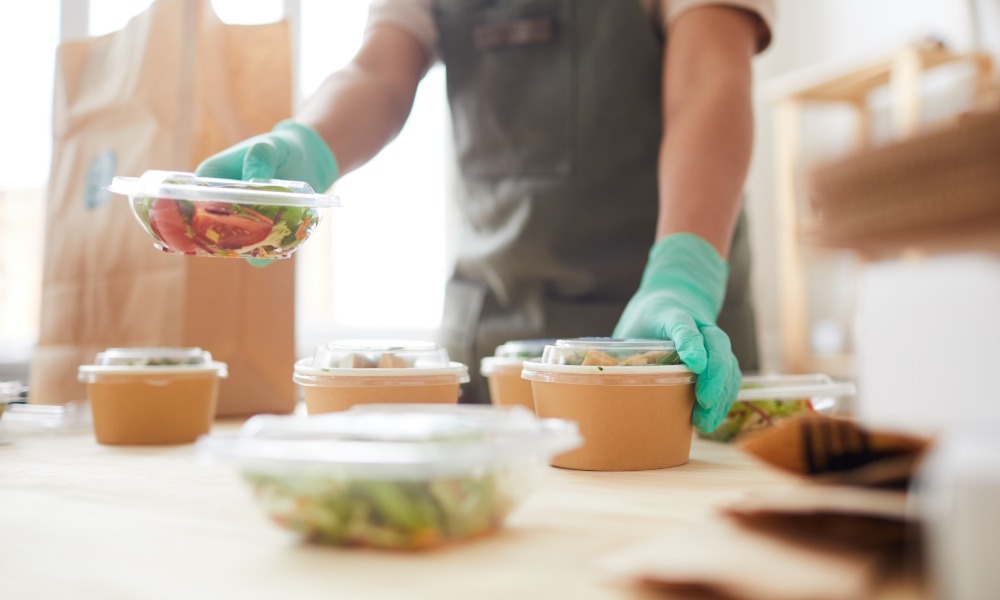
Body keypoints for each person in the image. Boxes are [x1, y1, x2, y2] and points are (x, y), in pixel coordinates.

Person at [196, 0, 774, 433]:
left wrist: (684, 275)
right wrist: (304, 145)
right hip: (492, 341)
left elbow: (711, 74)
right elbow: (380, 70)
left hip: (671, 342)